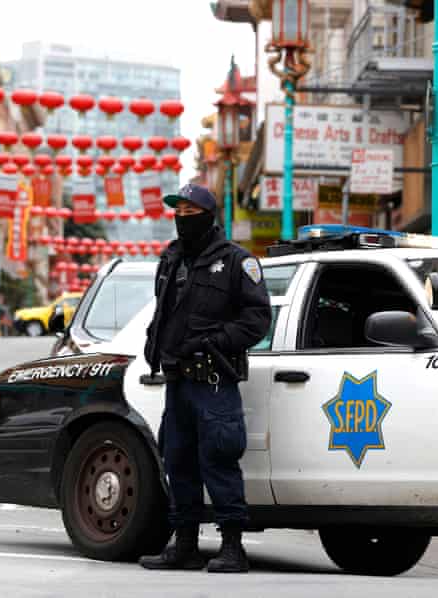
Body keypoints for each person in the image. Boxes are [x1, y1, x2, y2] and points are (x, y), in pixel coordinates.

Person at [139, 184, 271, 573]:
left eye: (189, 211)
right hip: (177, 380)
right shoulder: (171, 260)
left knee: (219, 457)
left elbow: (257, 319)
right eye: (177, 211)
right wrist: (154, 349)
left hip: (213, 379)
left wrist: (214, 342)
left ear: (209, 216)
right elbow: (163, 313)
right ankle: (185, 545)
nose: (181, 218)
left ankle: (233, 547)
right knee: (177, 460)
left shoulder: (237, 262)